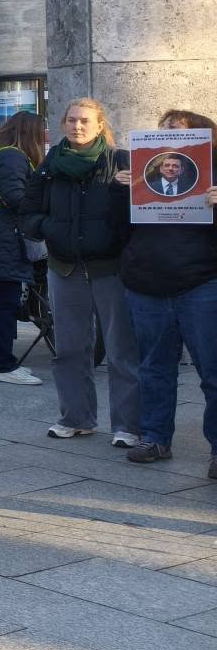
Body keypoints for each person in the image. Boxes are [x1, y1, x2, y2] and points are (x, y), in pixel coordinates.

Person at [20, 98, 139, 444]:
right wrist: (49, 229)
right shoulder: (49, 165)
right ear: (63, 125)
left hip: (110, 268)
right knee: (69, 349)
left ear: (100, 125)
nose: (78, 126)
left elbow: (139, 212)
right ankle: (75, 418)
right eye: (72, 120)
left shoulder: (121, 161)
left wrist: (123, 192)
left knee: (121, 350)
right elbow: (27, 212)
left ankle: (128, 426)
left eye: (85, 120)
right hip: (64, 267)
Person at [119, 109, 217, 471]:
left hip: (201, 284)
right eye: (162, 130)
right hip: (147, 283)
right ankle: (155, 437)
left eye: (175, 131)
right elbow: (116, 230)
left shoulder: (211, 176)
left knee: (213, 371)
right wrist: (118, 191)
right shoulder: (140, 175)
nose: (166, 136)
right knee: (154, 369)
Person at [0, 110, 48, 386]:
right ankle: (3, 365)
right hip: (4, 236)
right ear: (29, 133)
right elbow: (16, 196)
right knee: (5, 302)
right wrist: (43, 207)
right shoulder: (12, 157)